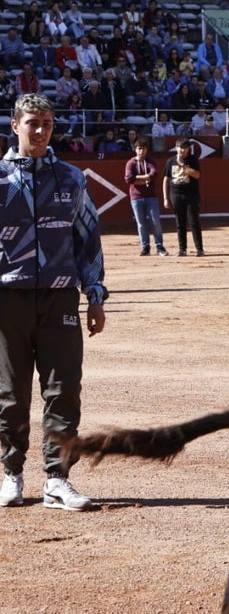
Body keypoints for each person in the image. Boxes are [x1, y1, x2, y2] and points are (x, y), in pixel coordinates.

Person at [0, 95, 107, 512]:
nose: (41, 130)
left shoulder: (71, 179)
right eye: (33, 123)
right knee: (10, 393)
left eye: (47, 122)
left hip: (60, 293)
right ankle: (12, 473)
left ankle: (57, 479)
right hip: (8, 297)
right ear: (15, 126)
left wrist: (94, 295)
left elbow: (89, 241)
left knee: (64, 390)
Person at [124, 137, 168, 257]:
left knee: (155, 222)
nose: (141, 151)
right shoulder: (131, 162)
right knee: (141, 223)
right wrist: (145, 178)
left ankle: (159, 246)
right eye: (139, 149)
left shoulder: (150, 161)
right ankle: (145, 247)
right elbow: (129, 179)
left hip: (150, 196)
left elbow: (154, 174)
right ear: (135, 150)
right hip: (136, 197)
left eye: (143, 149)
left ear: (147, 150)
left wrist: (137, 178)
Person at [163, 139, 204, 257]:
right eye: (180, 148)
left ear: (188, 149)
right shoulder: (170, 161)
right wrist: (166, 198)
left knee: (193, 222)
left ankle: (199, 249)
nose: (182, 150)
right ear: (176, 148)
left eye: (184, 148)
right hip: (175, 194)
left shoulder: (192, 160)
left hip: (191, 194)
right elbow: (166, 179)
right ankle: (182, 249)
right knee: (180, 223)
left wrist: (183, 166)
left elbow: (197, 175)